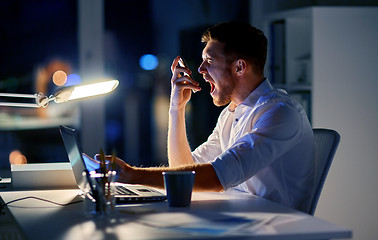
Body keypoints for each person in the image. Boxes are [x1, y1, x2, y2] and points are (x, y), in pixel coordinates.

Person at [91, 21, 315, 212]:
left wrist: (132, 175)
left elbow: (217, 177)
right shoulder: (231, 113)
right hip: (241, 220)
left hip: (277, 229)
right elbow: (185, 169)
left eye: (209, 61)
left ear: (239, 67)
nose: (200, 69)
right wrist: (176, 108)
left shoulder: (279, 113)